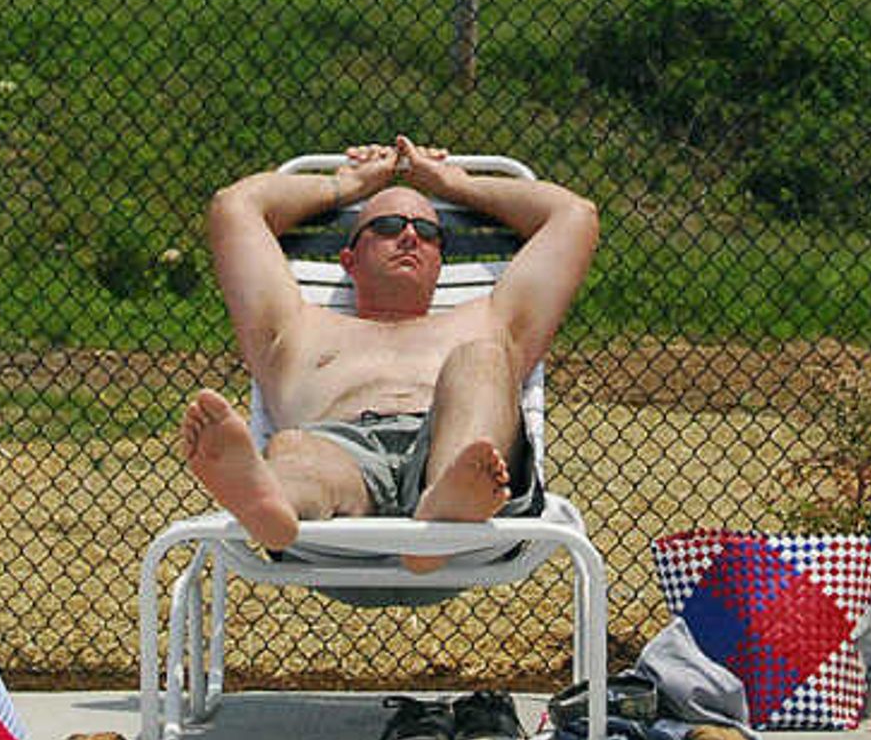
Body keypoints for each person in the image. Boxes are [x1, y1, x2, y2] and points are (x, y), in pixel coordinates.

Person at [175, 136, 601, 575]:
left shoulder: (492, 320)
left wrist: (453, 184)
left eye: (429, 232)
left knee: (482, 358)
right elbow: (236, 206)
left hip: (463, 465)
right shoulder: (294, 328)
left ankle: (445, 502)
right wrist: (347, 185)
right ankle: (274, 507)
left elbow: (574, 215)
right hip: (339, 464)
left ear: (440, 261)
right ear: (349, 258)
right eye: (387, 226)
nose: (410, 236)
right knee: (297, 450)